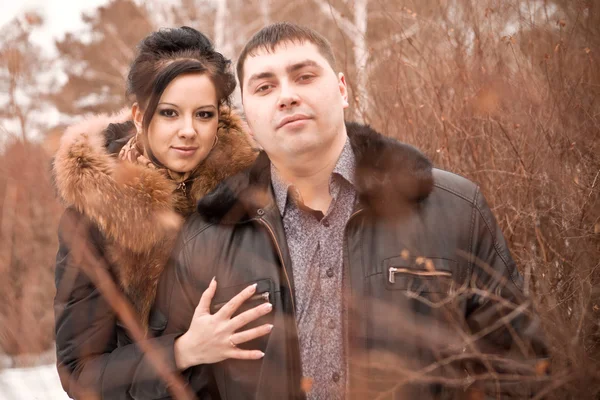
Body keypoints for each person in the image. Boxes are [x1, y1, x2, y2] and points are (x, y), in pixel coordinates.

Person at [148, 22, 548, 399]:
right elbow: (178, 385)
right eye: (265, 87)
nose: (287, 95)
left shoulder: (454, 208)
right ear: (248, 120)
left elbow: (517, 366)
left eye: (304, 77)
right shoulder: (208, 237)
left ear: (342, 89)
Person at [53, 26, 274, 400]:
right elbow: (80, 372)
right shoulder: (97, 216)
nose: (188, 131)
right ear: (140, 115)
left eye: (203, 115)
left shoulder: (256, 190)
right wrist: (181, 352)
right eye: (169, 113)